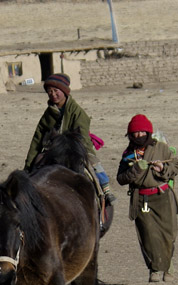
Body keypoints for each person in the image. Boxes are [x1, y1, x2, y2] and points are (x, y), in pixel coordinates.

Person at [24, 72, 116, 205]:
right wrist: (28, 165)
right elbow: (37, 138)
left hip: (74, 148)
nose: (53, 94)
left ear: (64, 91)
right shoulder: (49, 113)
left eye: (56, 91)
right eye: (49, 91)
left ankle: (105, 191)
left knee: (94, 166)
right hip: (53, 149)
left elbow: (82, 136)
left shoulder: (78, 112)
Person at [116, 114, 178, 282]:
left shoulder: (161, 148)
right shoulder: (128, 154)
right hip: (142, 200)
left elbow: (175, 166)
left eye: (142, 132)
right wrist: (135, 170)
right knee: (149, 236)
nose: (138, 136)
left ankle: (168, 266)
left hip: (163, 196)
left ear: (148, 132)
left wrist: (162, 168)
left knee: (169, 234)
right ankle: (155, 270)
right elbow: (121, 179)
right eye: (134, 133)